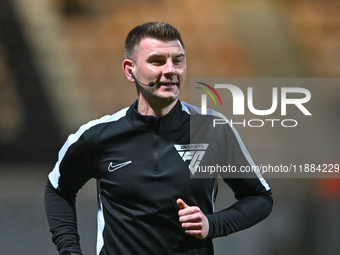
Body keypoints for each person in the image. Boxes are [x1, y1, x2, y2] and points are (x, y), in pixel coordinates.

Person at [45, 22, 273, 255]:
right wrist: (69, 251)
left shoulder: (211, 128)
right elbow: (58, 190)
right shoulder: (97, 136)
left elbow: (260, 198)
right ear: (129, 70)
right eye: (157, 61)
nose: (170, 70)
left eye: (178, 60)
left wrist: (211, 224)